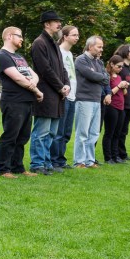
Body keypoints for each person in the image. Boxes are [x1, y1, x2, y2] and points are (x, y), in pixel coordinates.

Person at [0, 27, 42, 179]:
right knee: (11, 135)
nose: (22, 39)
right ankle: (3, 168)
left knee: (23, 136)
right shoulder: (2, 56)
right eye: (19, 36)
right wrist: (36, 90)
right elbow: (17, 78)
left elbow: (33, 75)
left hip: (27, 100)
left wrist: (33, 85)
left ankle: (18, 167)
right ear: (9, 36)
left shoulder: (20, 57)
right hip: (13, 101)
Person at [29, 11, 70, 175]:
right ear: (47, 24)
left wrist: (66, 84)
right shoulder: (39, 43)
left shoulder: (53, 43)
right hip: (46, 94)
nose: (59, 24)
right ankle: (37, 164)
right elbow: (45, 69)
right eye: (56, 22)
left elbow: (62, 68)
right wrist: (61, 86)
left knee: (52, 132)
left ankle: (46, 162)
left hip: (57, 95)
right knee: (41, 132)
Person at [73, 36, 110, 168]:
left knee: (94, 132)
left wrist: (100, 76)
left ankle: (90, 160)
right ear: (90, 46)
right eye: (99, 47)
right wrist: (101, 77)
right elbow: (92, 76)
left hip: (96, 99)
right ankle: (79, 161)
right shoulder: (81, 60)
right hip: (84, 99)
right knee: (82, 132)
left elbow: (107, 78)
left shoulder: (99, 62)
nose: (101, 50)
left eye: (102, 47)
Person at [51, 25, 79, 169]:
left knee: (67, 131)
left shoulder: (69, 54)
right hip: (63, 95)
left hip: (73, 96)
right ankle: (54, 160)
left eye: (77, 35)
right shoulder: (59, 52)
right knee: (59, 131)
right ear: (65, 36)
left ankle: (61, 159)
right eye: (74, 35)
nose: (77, 37)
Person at [102, 55, 130, 164]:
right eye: (118, 66)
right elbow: (108, 92)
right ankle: (108, 157)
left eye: (122, 67)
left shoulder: (118, 77)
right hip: (111, 107)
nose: (120, 69)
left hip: (121, 107)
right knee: (110, 132)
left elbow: (124, 93)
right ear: (112, 64)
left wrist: (124, 87)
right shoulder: (107, 77)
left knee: (117, 133)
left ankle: (116, 155)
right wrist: (119, 86)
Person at [114, 44, 130, 161]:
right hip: (121, 104)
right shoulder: (120, 68)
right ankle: (116, 153)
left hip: (129, 104)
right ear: (126, 53)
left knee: (124, 130)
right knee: (119, 130)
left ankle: (123, 153)